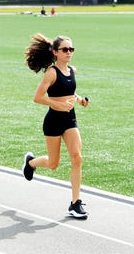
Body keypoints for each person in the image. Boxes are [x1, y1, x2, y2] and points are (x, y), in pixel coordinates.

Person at [23, 33, 90, 219]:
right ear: (55, 52)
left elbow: (70, 93)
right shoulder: (51, 73)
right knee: (53, 164)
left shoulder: (72, 71)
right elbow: (37, 98)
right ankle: (30, 163)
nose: (69, 52)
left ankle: (75, 203)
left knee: (77, 158)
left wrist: (80, 100)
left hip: (70, 120)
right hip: (53, 121)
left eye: (71, 49)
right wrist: (57, 104)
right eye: (65, 49)